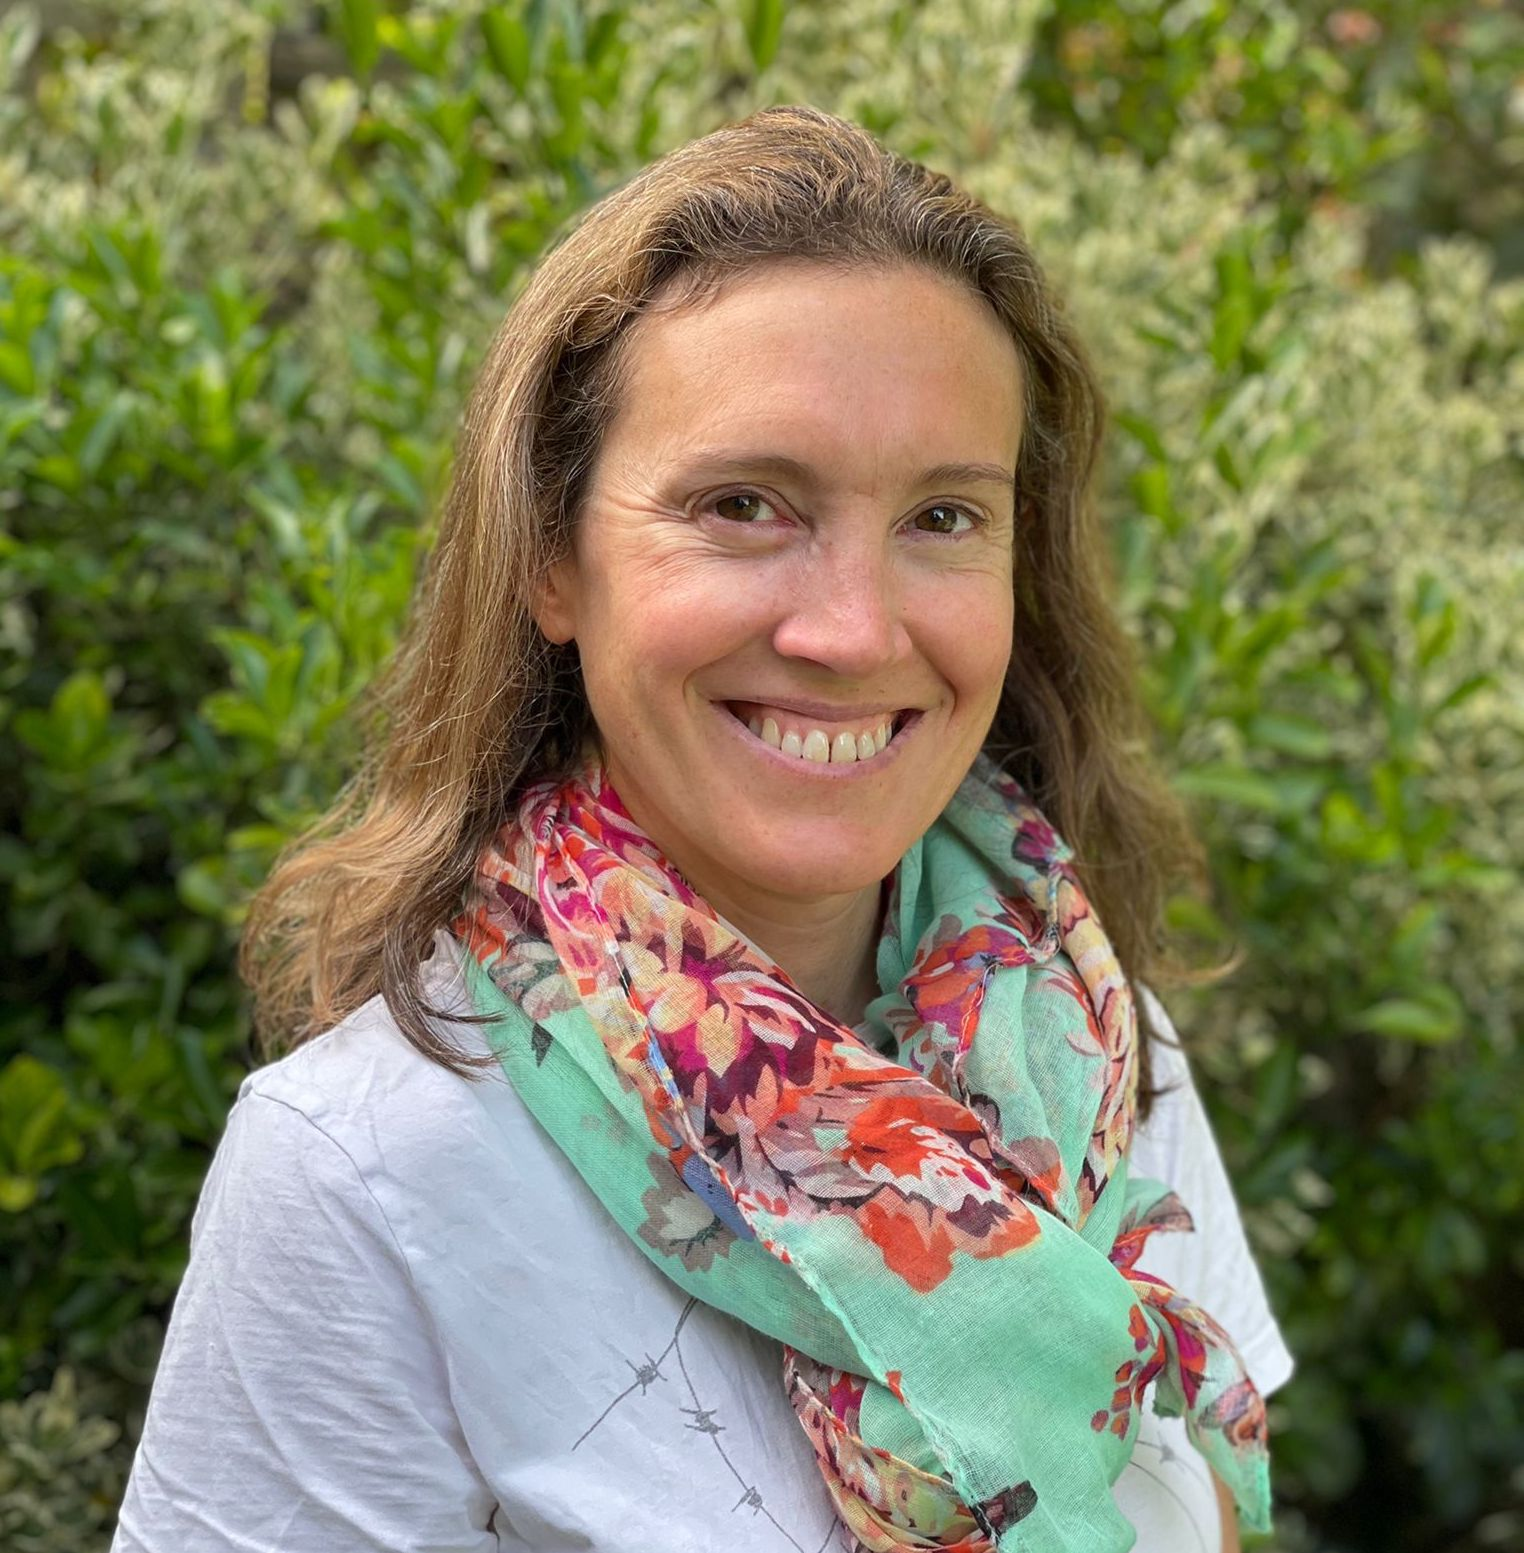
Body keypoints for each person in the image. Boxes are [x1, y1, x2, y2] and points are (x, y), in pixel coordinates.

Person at [111, 105, 1293, 1552]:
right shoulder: (369, 1173)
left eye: (942, 518)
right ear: (555, 558)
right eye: (744, 504)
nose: (855, 631)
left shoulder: (1095, 1047)